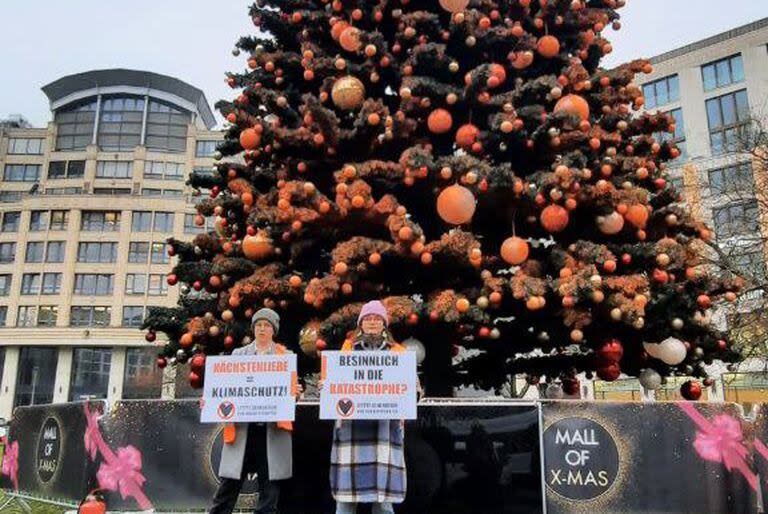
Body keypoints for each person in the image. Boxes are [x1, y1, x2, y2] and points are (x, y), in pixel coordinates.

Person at [325, 300, 420, 514]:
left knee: (384, 503)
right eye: (368, 318)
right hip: (351, 430)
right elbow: (333, 385)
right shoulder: (347, 349)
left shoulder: (399, 352)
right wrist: (326, 386)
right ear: (361, 323)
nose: (372, 322)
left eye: (377, 318)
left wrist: (412, 390)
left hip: (385, 430)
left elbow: (414, 391)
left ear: (384, 323)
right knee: (345, 502)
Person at [208, 308, 300, 514]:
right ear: (253, 328)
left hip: (272, 430)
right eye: (258, 325)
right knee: (229, 483)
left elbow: (292, 391)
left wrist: (295, 392)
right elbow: (226, 386)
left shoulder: (286, 357)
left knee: (270, 486)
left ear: (273, 330)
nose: (262, 329)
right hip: (243, 429)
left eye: (266, 325)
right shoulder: (238, 355)